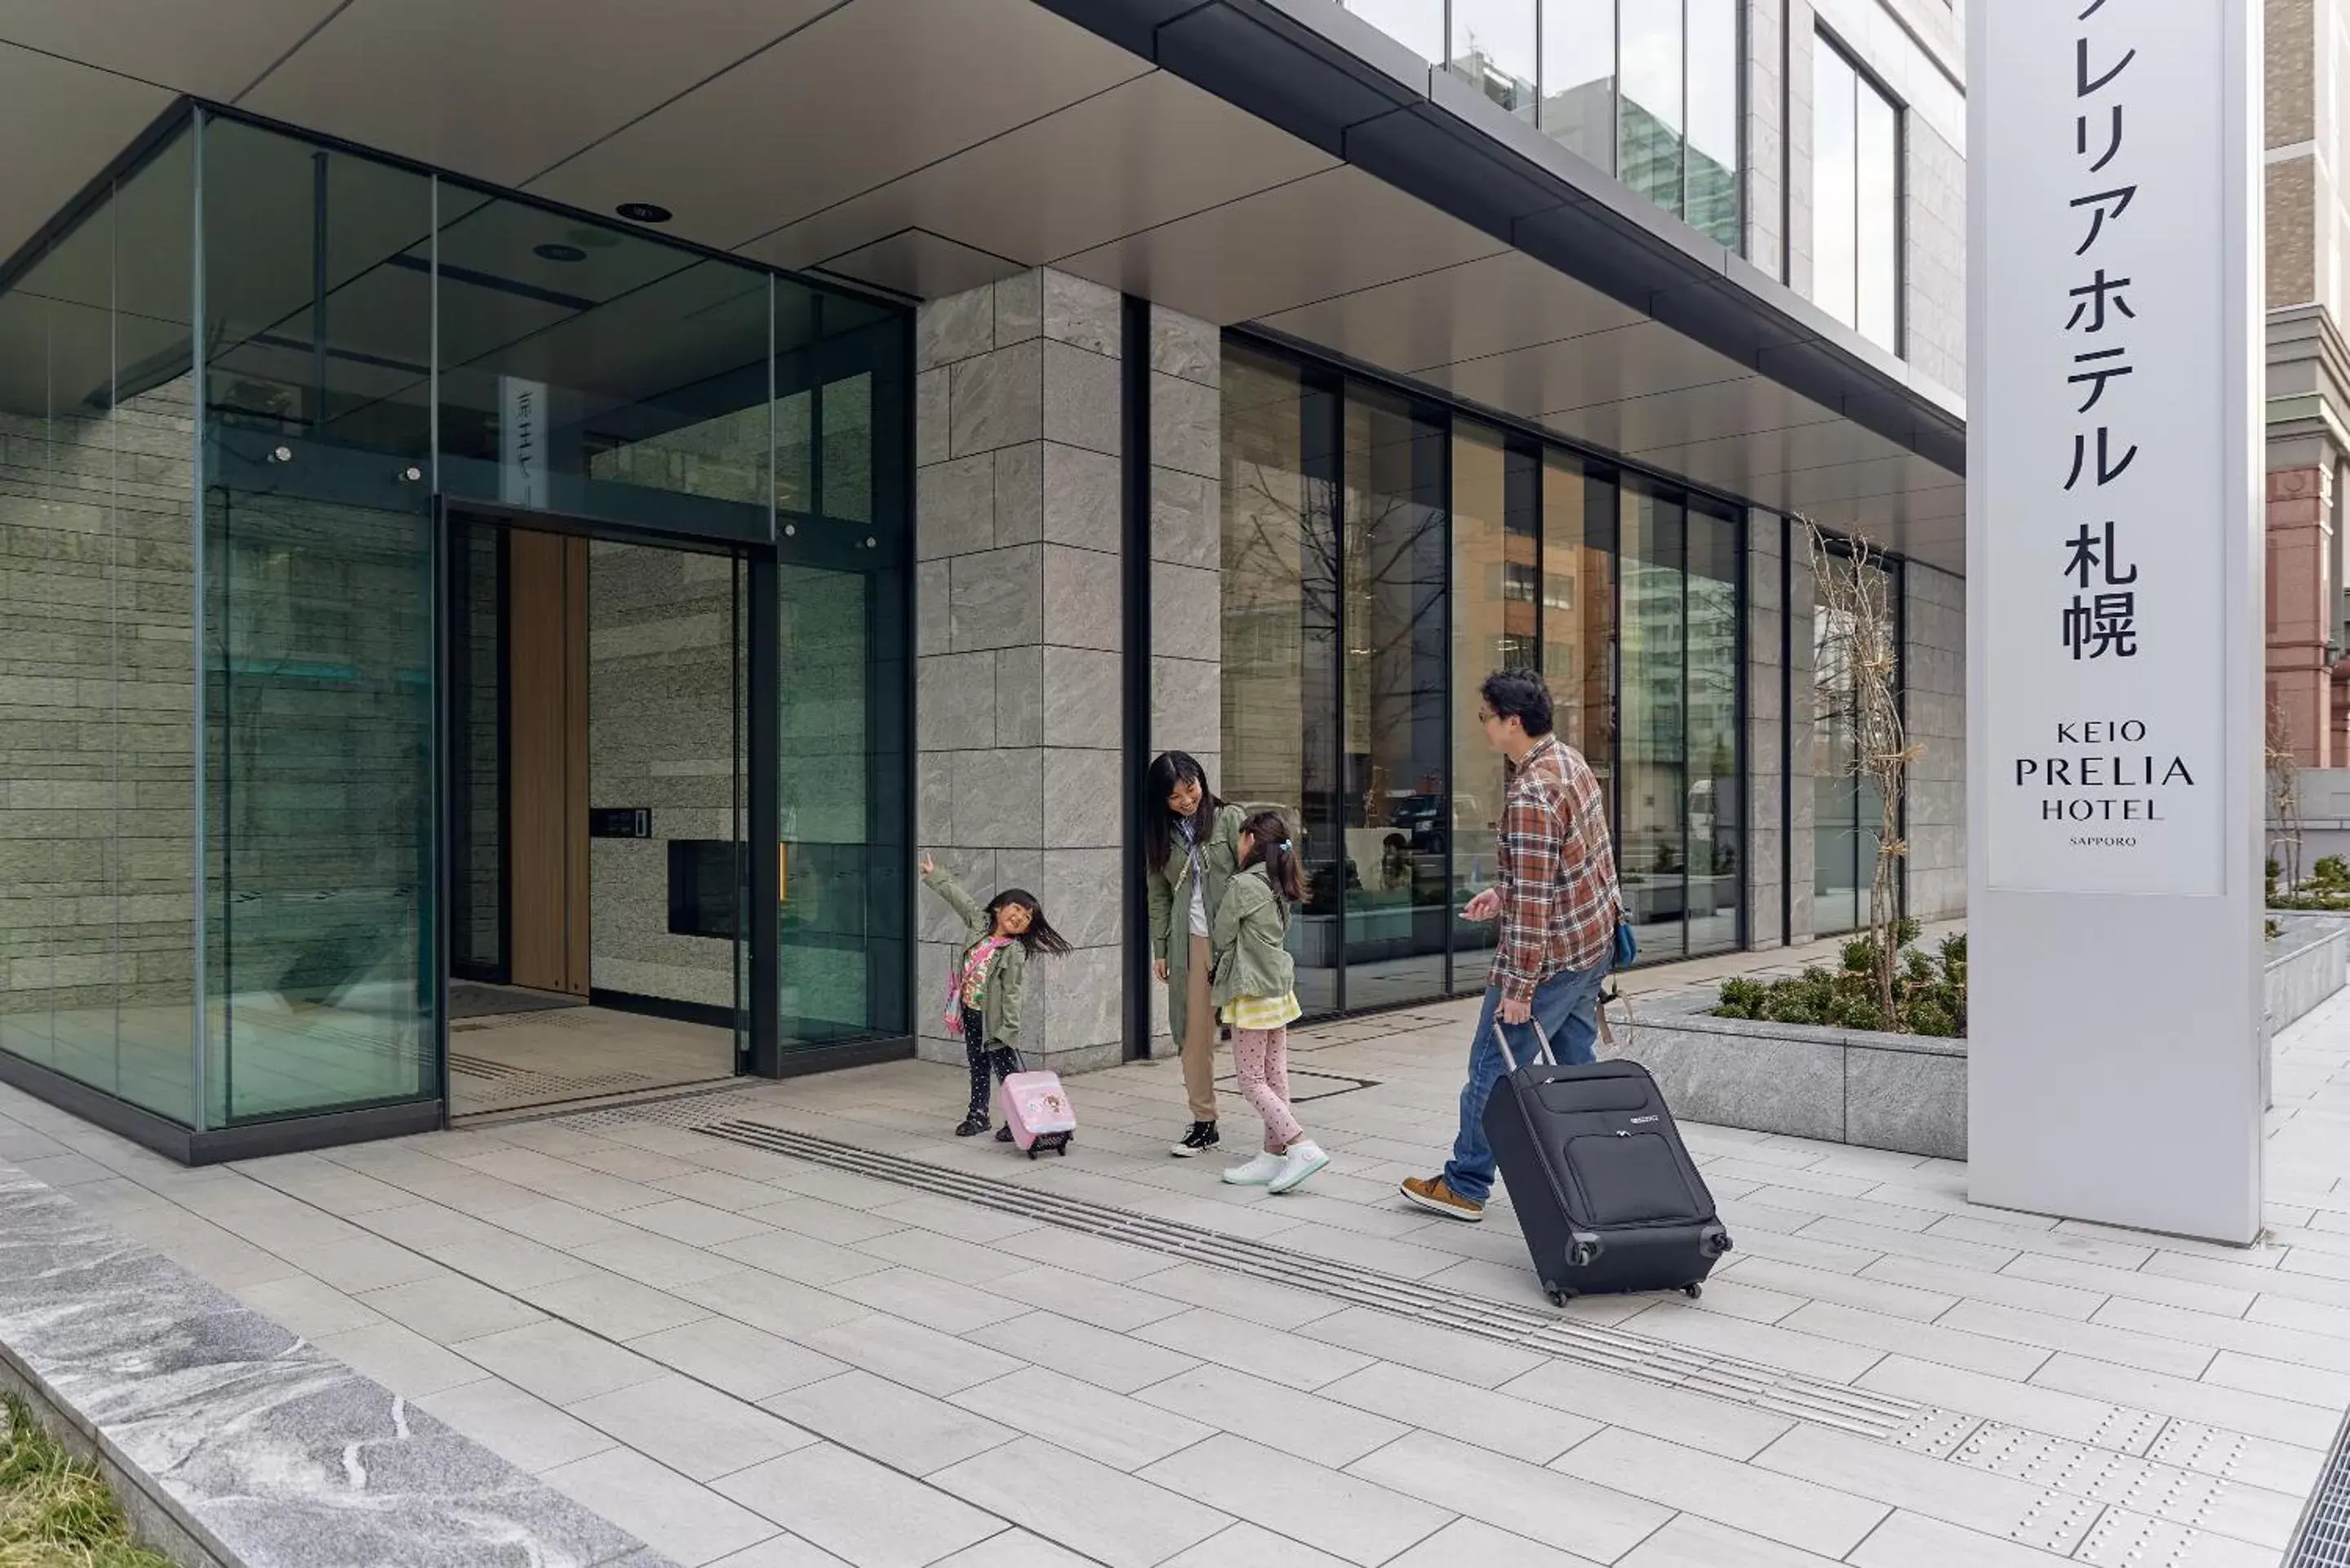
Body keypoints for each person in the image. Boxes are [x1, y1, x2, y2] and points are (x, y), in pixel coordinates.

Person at [1401, 669, 1622, 1223]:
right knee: (1574, 1064)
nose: (1482, 727)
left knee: (1491, 1066)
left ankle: (1466, 1183)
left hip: (1547, 959)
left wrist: (1518, 988)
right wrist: (1505, 890)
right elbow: (1576, 858)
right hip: (1589, 945)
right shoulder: (1570, 762)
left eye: (1485, 717)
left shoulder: (1530, 791)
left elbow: (1534, 906)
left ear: (1512, 722)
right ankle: (1599, 1168)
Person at [1212, 811, 1327, 1194]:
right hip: (1277, 989)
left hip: (1252, 991)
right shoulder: (1278, 881)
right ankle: (1271, 1156)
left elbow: (1222, 932)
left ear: (1249, 839)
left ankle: (1299, 1145)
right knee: (1275, 1077)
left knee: (1251, 1081)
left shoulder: (1244, 884)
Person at [920, 855, 1071, 1139]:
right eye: (1016, 909)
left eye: (1027, 918)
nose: (1019, 918)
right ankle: (978, 1116)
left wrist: (1009, 1029)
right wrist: (934, 874)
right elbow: (960, 899)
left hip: (997, 1021)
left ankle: (1018, 1120)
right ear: (1000, 908)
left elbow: (1013, 993)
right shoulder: (979, 925)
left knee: (1007, 1073)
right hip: (971, 1011)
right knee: (977, 1065)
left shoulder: (1014, 951)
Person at [1143, 751, 1246, 1157]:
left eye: (1192, 789)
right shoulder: (1159, 837)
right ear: (1160, 801)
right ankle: (1205, 1123)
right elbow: (1158, 897)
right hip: (1191, 944)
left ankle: (1280, 1127)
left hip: (1238, 942)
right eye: (1175, 797)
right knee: (1193, 1037)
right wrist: (1162, 948)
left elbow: (1263, 874)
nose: (1187, 801)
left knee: (1257, 1033)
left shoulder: (1229, 819)